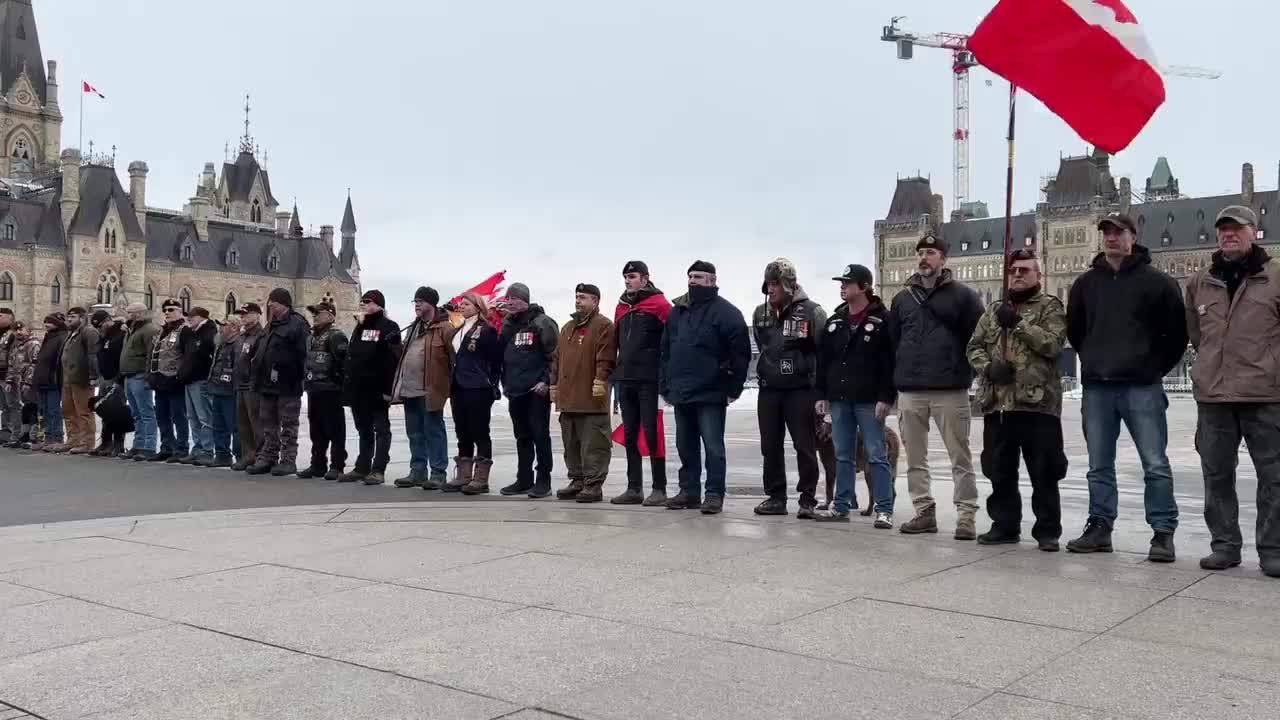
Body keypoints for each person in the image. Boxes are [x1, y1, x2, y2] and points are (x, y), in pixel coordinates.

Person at [1066, 212, 1187, 561]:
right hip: (1098, 386)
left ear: (1133, 237)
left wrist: (1151, 368)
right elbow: (1076, 332)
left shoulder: (1159, 283)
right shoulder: (1085, 284)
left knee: (1154, 463)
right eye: (1106, 232)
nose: (1111, 238)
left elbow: (1176, 335)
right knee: (1098, 464)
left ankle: (1162, 532)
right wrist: (1092, 359)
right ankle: (1100, 526)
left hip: (1141, 386)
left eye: (1118, 232)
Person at [1185, 205, 1280, 578]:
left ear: (1254, 232)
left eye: (1236, 229)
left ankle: (1272, 549)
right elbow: (1195, 333)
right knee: (1216, 473)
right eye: (1223, 229)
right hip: (1214, 395)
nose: (1229, 235)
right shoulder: (1200, 281)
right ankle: (1224, 545)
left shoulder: (1274, 277)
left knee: (1274, 476)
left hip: (1265, 394)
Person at [967, 249, 1068, 551]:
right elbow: (974, 346)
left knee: (1044, 471)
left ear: (1039, 274)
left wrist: (1019, 325)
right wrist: (988, 367)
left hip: (1038, 405)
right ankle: (1004, 524)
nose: (1018, 275)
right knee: (999, 469)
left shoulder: (1050, 306)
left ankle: (1047, 531)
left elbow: (1053, 344)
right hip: (999, 403)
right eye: (1014, 270)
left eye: (1025, 270)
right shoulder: (994, 309)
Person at [889, 233, 984, 540]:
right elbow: (893, 342)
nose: (924, 257)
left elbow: (979, 338)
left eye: (930, 252)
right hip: (911, 390)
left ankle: (966, 514)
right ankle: (923, 510)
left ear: (944, 259)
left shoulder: (964, 296)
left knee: (960, 456)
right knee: (915, 459)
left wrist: (966, 372)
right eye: (921, 252)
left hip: (949, 389)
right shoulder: (902, 299)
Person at [660, 261, 751, 515]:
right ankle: (689, 491)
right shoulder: (677, 312)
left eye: (698, 277)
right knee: (684, 445)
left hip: (711, 391)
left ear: (711, 280)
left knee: (712, 446)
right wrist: (665, 385)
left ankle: (713, 494)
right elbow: (666, 350)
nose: (692, 281)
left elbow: (740, 354)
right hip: (681, 391)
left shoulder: (727, 313)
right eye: (690, 276)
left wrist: (733, 387)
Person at [814, 264, 896, 526]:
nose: (842, 287)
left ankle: (884, 509)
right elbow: (824, 362)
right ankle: (841, 506)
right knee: (843, 454)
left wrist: (886, 397)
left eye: (847, 283)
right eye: (842, 283)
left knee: (876, 454)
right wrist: (822, 395)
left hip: (869, 400)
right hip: (839, 399)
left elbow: (889, 362)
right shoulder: (835, 322)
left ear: (864, 287)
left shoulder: (882, 321)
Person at [751, 258, 828, 517]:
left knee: (804, 446)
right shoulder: (760, 314)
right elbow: (762, 347)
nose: (770, 289)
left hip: (801, 390)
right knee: (769, 445)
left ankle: (807, 498)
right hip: (769, 390)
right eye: (768, 284)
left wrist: (821, 394)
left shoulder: (812, 312)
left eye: (775, 284)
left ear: (788, 284)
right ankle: (775, 497)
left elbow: (824, 354)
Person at [611, 260, 673, 506]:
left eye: (633, 276)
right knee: (629, 433)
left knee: (652, 432)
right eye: (625, 277)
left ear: (645, 279)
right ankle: (634, 487)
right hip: (626, 379)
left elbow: (673, 339)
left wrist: (665, 374)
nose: (628, 280)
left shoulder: (659, 305)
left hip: (650, 379)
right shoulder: (621, 307)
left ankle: (659, 488)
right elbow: (615, 343)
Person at [553, 283, 617, 503]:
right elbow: (556, 359)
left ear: (595, 301)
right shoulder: (567, 327)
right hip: (568, 398)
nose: (578, 300)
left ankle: (593, 484)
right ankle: (577, 479)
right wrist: (554, 385)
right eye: (576, 296)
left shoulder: (603, 326)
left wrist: (601, 380)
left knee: (594, 444)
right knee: (571, 444)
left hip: (591, 398)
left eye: (583, 297)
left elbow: (606, 357)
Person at [498, 282, 559, 498]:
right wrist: (505, 384)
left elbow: (555, 356)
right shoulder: (508, 325)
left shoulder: (542, 323)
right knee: (521, 436)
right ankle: (523, 480)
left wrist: (547, 381)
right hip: (515, 390)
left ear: (524, 299)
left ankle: (544, 481)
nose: (510, 302)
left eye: (513, 298)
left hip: (536, 390)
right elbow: (503, 356)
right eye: (508, 298)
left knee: (540, 435)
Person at [391, 287, 453, 489]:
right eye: (415, 301)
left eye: (421, 301)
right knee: (414, 432)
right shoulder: (412, 328)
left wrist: (447, 387)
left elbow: (453, 360)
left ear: (432, 304)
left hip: (430, 389)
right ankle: (417, 471)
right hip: (410, 388)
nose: (417, 304)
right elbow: (407, 355)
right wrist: (394, 345)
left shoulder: (444, 328)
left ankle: (438, 473)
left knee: (433, 431)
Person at [445, 292, 503, 495]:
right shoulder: (458, 330)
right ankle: (464, 474)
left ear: (478, 306)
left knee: (480, 431)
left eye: (467, 303)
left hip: (478, 387)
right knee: (462, 431)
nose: (462, 306)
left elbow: (495, 361)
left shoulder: (486, 330)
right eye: (461, 303)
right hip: (458, 387)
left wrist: (492, 384)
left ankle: (481, 478)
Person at [342, 289, 401, 485]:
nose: (363, 304)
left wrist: (388, 390)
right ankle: (362, 466)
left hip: (377, 389)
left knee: (381, 429)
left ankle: (378, 468)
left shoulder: (388, 326)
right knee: (363, 429)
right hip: (358, 388)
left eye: (367, 302)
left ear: (378, 305)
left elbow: (392, 360)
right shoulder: (360, 326)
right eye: (361, 301)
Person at [249, 288, 309, 477]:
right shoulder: (271, 324)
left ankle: (288, 460)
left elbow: (304, 355)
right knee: (268, 425)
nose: (270, 306)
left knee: (288, 425)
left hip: (288, 385)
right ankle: (268, 457)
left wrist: (296, 376)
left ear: (283, 303)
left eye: (273, 303)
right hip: (267, 384)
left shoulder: (297, 324)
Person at [300, 301, 349, 480]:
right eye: (314, 314)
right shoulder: (311, 337)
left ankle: (337, 465)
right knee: (316, 430)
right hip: (314, 389)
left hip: (331, 390)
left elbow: (344, 364)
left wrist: (341, 386)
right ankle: (317, 464)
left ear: (330, 315)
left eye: (319, 313)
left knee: (335, 430)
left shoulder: (336, 336)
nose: (315, 317)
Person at [148, 300, 191, 462]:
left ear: (180, 311)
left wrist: (181, 376)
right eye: (165, 309)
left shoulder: (184, 330)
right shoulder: (162, 331)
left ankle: (182, 448)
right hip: (159, 380)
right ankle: (167, 446)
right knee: (162, 416)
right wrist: (150, 376)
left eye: (171, 309)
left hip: (174, 381)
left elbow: (188, 356)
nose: (167, 312)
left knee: (179, 416)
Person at [56, 307, 99, 454]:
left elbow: (93, 355)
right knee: (68, 410)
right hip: (68, 378)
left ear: (82, 318)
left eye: (73, 317)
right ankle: (73, 439)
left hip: (82, 378)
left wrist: (93, 376)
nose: (69, 320)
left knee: (84, 411)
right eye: (68, 317)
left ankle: (87, 442)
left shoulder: (88, 332)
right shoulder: (71, 334)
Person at [118, 303, 159, 460]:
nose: (127, 315)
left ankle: (149, 446)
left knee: (146, 412)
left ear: (139, 314)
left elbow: (151, 354)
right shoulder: (132, 329)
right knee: (136, 413)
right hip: (129, 375)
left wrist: (149, 376)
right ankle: (138, 445)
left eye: (130, 312)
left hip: (140, 375)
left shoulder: (149, 330)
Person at [178, 307, 217, 464]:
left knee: (204, 418)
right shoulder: (192, 334)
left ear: (202, 317)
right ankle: (198, 448)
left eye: (192, 317)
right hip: (189, 379)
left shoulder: (209, 332)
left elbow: (207, 354)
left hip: (201, 380)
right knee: (193, 418)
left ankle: (207, 450)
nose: (189, 319)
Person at [204, 314, 242, 468]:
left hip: (230, 391)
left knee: (234, 426)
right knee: (218, 425)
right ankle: (222, 454)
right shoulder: (222, 343)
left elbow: (238, 369)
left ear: (234, 327)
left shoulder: (237, 343)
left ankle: (240, 455)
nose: (221, 328)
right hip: (217, 388)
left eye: (224, 325)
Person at [232, 303, 265, 471]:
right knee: (243, 424)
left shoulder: (261, 335)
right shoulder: (242, 336)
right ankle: (248, 455)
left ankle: (261, 456)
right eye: (241, 314)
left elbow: (259, 362)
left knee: (256, 423)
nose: (242, 317)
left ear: (257, 315)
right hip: (241, 384)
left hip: (252, 385)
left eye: (246, 314)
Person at [91, 311, 127, 456]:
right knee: (105, 411)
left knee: (118, 412)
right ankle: (106, 442)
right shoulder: (105, 336)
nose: (100, 329)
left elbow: (123, 357)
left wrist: (119, 377)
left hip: (117, 378)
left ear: (108, 320)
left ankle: (119, 443)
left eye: (101, 325)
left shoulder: (120, 334)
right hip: (105, 378)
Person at [32, 313, 68, 452]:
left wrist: (56, 377)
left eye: (50, 322)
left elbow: (59, 361)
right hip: (42, 378)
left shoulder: (61, 337)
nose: (46, 324)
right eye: (45, 322)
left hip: (53, 379)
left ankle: (57, 437)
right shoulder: (49, 337)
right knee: (43, 410)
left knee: (53, 410)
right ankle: (47, 437)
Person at [4, 322, 39, 448]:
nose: (18, 332)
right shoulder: (15, 346)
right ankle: (24, 434)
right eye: (15, 330)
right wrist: (9, 381)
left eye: (21, 329)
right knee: (24, 408)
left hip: (29, 382)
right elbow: (12, 365)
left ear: (28, 330)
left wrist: (28, 382)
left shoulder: (33, 344)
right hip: (17, 381)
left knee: (33, 407)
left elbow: (34, 364)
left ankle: (34, 436)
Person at [0, 308, 15, 444]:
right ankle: (5, 431)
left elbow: (13, 356)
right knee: (4, 405)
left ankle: (12, 431)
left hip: (7, 375)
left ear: (10, 318)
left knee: (11, 404)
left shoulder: (12, 334)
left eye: (1, 316)